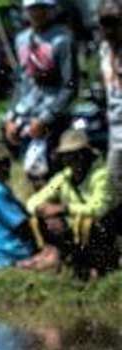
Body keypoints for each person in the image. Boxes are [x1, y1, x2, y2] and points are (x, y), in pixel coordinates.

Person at [25, 130, 119, 279]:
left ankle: (96, 264)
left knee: (88, 222)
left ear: (86, 155)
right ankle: (57, 255)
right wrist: (41, 208)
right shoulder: (64, 177)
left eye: (76, 155)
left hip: (103, 230)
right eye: (67, 156)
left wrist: (65, 208)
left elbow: (99, 208)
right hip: (75, 230)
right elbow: (33, 201)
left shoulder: (101, 176)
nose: (73, 160)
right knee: (41, 218)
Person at [2, 0, 77, 184]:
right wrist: (11, 117)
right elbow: (21, 82)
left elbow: (70, 86)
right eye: (33, 9)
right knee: (32, 176)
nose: (37, 13)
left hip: (52, 118)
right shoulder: (21, 40)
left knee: (55, 176)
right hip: (27, 115)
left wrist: (46, 118)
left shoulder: (63, 39)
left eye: (41, 8)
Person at [0, 141, 44, 269]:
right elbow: (22, 226)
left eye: (7, 163)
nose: (7, 168)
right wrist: (36, 249)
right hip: (7, 255)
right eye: (0, 165)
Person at [101, 1, 122, 205]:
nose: (108, 29)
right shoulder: (105, 51)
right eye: (103, 23)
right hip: (116, 134)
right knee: (114, 189)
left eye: (114, 22)